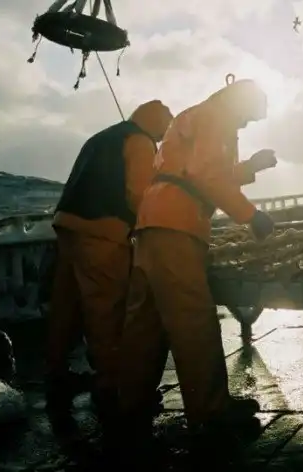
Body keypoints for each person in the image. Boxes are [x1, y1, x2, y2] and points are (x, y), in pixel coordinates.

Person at [115, 79, 276, 450]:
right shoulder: (217, 118)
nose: (246, 125)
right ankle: (211, 412)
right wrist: (250, 215)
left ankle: (131, 405)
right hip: (177, 224)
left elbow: (202, 171)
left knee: (145, 324)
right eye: (249, 117)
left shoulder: (198, 116)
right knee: (193, 319)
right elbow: (207, 177)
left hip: (151, 223)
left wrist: (251, 167)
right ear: (239, 103)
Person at [45, 100, 174, 439]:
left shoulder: (101, 137)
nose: (165, 135)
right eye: (165, 126)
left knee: (67, 306)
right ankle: (111, 389)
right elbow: (138, 195)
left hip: (67, 226)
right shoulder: (140, 141)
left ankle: (56, 375)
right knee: (107, 308)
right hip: (101, 232)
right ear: (154, 122)